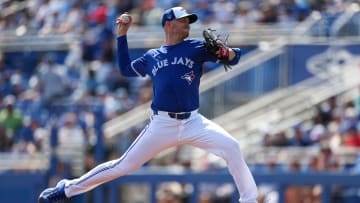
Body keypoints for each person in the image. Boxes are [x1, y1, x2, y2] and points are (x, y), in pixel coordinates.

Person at [38, 6, 258, 203]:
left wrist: (225, 53)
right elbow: (125, 69)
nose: (187, 25)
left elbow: (234, 57)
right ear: (169, 24)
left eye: (188, 22)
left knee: (232, 147)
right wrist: (122, 36)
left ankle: (249, 200)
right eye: (183, 21)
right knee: (123, 166)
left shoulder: (196, 48)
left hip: (193, 121)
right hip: (162, 124)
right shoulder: (153, 56)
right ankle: (66, 189)